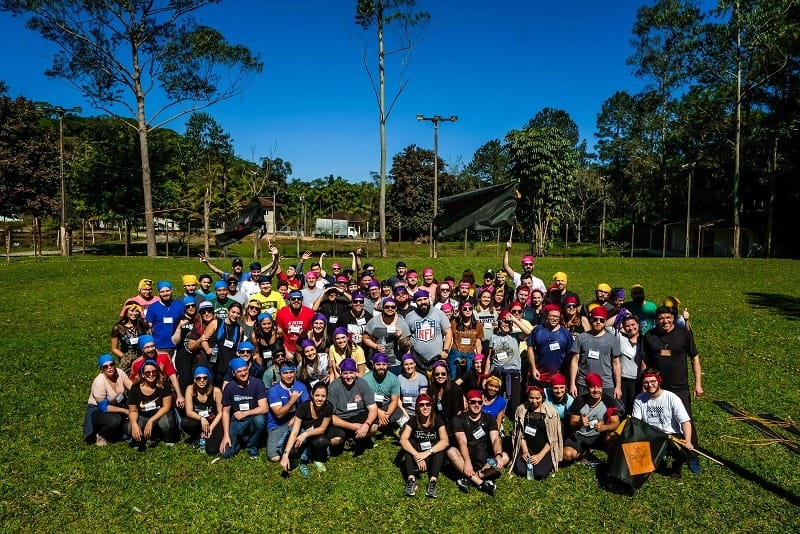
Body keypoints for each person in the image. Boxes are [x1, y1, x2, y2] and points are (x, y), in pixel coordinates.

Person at [642, 305, 703, 473]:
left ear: (673, 318)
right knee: (660, 419)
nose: (664, 321)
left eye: (668, 317)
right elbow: (644, 362)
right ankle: (665, 452)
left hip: (679, 387)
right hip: (658, 389)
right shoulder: (649, 336)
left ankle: (692, 455)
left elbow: (694, 358)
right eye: (661, 318)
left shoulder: (684, 334)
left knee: (686, 420)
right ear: (656, 320)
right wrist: (645, 385)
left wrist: (698, 383)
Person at [632, 368, 695, 478]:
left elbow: (685, 422)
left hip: (671, 434)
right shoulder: (639, 399)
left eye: (653, 381)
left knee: (684, 452)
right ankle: (657, 461)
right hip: (651, 434)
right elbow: (636, 422)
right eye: (646, 382)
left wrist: (687, 441)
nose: (649, 385)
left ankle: (676, 468)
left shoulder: (672, 398)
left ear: (659, 381)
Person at [447, 389, 509, 496]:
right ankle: (481, 483)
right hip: (465, 456)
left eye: (479, 402)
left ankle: (472, 477)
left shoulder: (489, 418)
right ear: (467, 403)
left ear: (483, 402)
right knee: (451, 451)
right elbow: (462, 442)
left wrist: (498, 455)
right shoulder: (458, 420)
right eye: (473, 402)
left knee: (505, 457)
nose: (476, 405)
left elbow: (495, 439)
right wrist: (467, 461)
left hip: (484, 458)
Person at [561, 373, 621, 463]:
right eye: (592, 387)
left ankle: (610, 459)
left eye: (599, 387)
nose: (596, 390)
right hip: (580, 436)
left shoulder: (609, 401)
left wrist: (604, 427)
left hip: (599, 436)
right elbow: (572, 424)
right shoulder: (579, 401)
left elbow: (616, 423)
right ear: (587, 388)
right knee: (567, 455)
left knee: (614, 437)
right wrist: (579, 423)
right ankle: (584, 453)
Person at [399, 394, 449, 498]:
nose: (425, 407)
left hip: (431, 456)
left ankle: (433, 481)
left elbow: (445, 441)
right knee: (409, 444)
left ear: (432, 406)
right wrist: (417, 455)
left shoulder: (437, 420)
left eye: (428, 404)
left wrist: (426, 453)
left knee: (439, 447)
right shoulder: (413, 420)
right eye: (422, 405)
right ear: (417, 407)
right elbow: (403, 440)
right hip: (417, 455)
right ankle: (411, 480)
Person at [280, 382, 334, 476]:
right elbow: (295, 431)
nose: (320, 399)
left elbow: (322, 429)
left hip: (315, 434)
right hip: (300, 434)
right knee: (292, 452)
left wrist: (306, 434)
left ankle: (316, 458)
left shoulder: (328, 407)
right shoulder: (303, 407)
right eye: (317, 395)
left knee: (322, 441)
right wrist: (285, 454)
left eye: (323, 396)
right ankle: (301, 460)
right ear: (312, 395)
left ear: (327, 396)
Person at [326, 358, 379, 453]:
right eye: (345, 373)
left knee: (374, 427)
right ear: (341, 373)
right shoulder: (333, 387)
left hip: (358, 415)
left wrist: (366, 424)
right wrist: (353, 427)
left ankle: (354, 438)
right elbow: (330, 416)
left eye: (351, 373)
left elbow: (373, 408)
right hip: (340, 419)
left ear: (356, 373)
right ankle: (345, 439)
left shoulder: (362, 383)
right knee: (335, 440)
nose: (349, 376)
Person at [568, 306, 621, 401]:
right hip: (584, 383)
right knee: (583, 412)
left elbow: (616, 364)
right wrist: (572, 384)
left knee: (607, 413)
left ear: (605, 322)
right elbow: (574, 362)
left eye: (602, 320)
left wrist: (618, 386)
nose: (598, 322)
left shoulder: (612, 339)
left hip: (606, 384)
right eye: (595, 319)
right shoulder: (581, 338)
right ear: (591, 320)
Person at [219, 357, 268, 459]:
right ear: (233, 374)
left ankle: (252, 447)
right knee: (226, 454)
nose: (243, 373)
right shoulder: (229, 387)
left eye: (245, 370)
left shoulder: (257, 383)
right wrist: (226, 435)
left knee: (260, 420)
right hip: (237, 420)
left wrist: (245, 413)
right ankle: (243, 440)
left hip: (253, 417)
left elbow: (264, 408)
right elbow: (226, 412)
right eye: (239, 371)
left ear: (248, 369)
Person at [509, 386, 562, 479]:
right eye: (531, 398)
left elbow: (553, 439)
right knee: (520, 470)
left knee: (540, 473)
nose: (534, 401)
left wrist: (539, 456)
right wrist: (525, 451)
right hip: (527, 446)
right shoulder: (521, 410)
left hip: (545, 449)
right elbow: (520, 434)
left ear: (542, 397)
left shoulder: (551, 413)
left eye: (537, 398)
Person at [127, 359, 179, 451]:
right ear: (142, 374)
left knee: (168, 422)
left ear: (158, 372)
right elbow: (133, 410)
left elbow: (166, 407)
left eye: (154, 372)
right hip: (143, 415)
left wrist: (151, 420)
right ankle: (139, 439)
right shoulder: (135, 388)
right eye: (147, 373)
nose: (151, 374)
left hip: (159, 415)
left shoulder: (164, 385)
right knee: (130, 427)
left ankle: (167, 436)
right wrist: (134, 424)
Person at [489, 309, 532, 416]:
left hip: (513, 373)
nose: (507, 324)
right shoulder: (494, 337)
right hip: (497, 372)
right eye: (504, 321)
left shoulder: (515, 336)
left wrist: (514, 319)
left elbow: (528, 332)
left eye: (509, 323)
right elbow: (489, 358)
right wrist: (486, 375)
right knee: (495, 399)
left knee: (514, 403)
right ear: (499, 322)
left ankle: (516, 421)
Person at [84, 354, 132, 446]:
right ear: (102, 369)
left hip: (116, 404)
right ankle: (101, 434)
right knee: (115, 421)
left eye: (111, 365)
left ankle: (123, 432)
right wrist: (125, 411)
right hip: (97, 410)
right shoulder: (99, 382)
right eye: (106, 367)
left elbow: (130, 386)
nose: (110, 368)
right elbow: (103, 407)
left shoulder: (119, 372)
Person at [266, 364, 310, 463]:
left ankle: (291, 447)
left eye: (291, 372)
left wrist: (295, 418)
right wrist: (292, 400)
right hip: (278, 424)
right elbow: (279, 414)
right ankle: (285, 446)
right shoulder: (274, 390)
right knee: (274, 458)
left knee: (304, 436)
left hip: (296, 422)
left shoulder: (300, 386)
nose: (289, 376)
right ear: (280, 374)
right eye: (285, 373)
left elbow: (306, 408)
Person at [405, 289, 453, 371]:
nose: (423, 302)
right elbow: (406, 337)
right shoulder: (409, 316)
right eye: (419, 300)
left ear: (429, 299)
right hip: (417, 359)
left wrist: (445, 350)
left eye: (425, 299)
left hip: (437, 358)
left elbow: (448, 332)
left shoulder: (439, 313)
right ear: (415, 302)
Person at [527, 303, 574, 385]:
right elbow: (530, 348)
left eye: (557, 317)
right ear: (547, 316)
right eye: (552, 316)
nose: (555, 319)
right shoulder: (538, 330)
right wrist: (533, 368)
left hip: (559, 376)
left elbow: (571, 354)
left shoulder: (565, 333)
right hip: (539, 374)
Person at [181, 366, 224, 454]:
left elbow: (220, 413)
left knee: (211, 450)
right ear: (194, 379)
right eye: (198, 378)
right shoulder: (190, 389)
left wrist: (211, 428)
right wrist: (202, 418)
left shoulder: (216, 391)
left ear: (208, 379)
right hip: (199, 421)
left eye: (205, 378)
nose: (201, 380)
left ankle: (204, 437)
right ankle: (197, 436)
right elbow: (188, 412)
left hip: (213, 421)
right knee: (185, 422)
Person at [362, 297, 411, 373]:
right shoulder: (374, 321)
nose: (390, 309)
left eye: (393, 307)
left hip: (396, 364)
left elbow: (407, 347)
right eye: (387, 307)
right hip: (378, 362)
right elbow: (365, 338)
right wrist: (375, 346)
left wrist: (400, 337)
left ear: (396, 308)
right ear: (383, 308)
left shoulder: (401, 323)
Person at [363, 353, 403, 433]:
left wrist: (387, 415)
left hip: (385, 406)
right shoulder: (365, 379)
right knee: (363, 412)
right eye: (378, 364)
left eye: (384, 364)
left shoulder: (393, 379)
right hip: (370, 407)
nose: (381, 367)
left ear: (387, 365)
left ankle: (381, 423)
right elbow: (364, 401)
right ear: (373, 365)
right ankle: (383, 425)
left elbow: (394, 400)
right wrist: (378, 412)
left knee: (398, 412)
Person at [615, 314, 643, 415]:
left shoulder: (645, 340)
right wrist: (622, 313)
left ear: (638, 325)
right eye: (627, 325)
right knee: (621, 410)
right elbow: (607, 326)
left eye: (633, 324)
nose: (631, 328)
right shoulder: (620, 338)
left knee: (635, 410)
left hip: (638, 381)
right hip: (623, 380)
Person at [110, 302, 150, 373]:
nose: (134, 313)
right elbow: (114, 349)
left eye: (137, 311)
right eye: (131, 311)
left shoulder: (143, 324)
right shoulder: (118, 328)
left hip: (143, 358)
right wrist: (125, 357)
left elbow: (149, 339)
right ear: (126, 312)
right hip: (127, 360)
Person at [146, 280, 184, 355]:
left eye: (168, 291)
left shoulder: (179, 305)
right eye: (162, 292)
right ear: (158, 293)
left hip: (176, 345)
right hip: (159, 346)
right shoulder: (153, 307)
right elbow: (148, 328)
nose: (165, 294)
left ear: (172, 291)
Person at [448, 300, 483, 379]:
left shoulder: (478, 325)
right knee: (454, 378)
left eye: (470, 308)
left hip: (470, 355)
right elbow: (451, 339)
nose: (467, 310)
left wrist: (478, 357)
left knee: (469, 378)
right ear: (460, 310)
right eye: (465, 309)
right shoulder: (454, 323)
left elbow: (478, 342)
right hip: (456, 353)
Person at [275, 290, 315, 358]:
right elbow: (278, 334)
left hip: (304, 348)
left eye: (299, 299)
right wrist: (286, 351)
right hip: (288, 349)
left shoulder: (310, 313)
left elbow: (312, 332)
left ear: (302, 300)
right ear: (289, 300)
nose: (296, 301)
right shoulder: (281, 313)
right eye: (293, 299)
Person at [428, 361, 464, 431]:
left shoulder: (455, 388)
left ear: (447, 374)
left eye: (443, 374)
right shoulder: (432, 389)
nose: (440, 376)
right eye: (437, 374)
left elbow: (458, 411)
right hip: (438, 425)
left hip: (453, 426)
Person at [398, 353, 429, 420]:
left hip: (418, 411)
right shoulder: (400, 378)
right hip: (404, 411)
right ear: (403, 366)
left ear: (415, 364)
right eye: (406, 364)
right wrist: (405, 414)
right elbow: (398, 399)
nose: (409, 367)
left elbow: (422, 398)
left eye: (411, 364)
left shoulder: (422, 378)